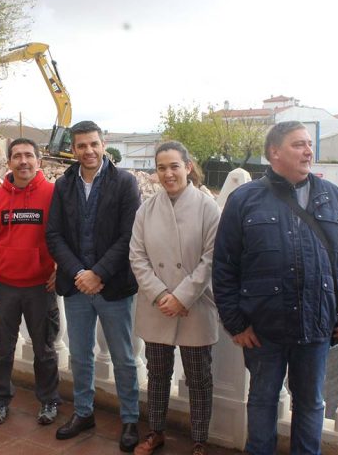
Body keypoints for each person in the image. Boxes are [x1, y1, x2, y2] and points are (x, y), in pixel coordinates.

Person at [212, 121, 338, 455]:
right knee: (262, 400)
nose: (308, 151)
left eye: (309, 144)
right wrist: (235, 323)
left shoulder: (333, 197)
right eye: (298, 144)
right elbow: (223, 266)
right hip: (263, 330)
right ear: (274, 152)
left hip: (317, 326)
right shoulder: (244, 199)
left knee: (310, 403)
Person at [46, 120, 141, 452]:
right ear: (73, 149)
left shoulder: (125, 183)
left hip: (112, 286)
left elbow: (129, 236)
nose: (88, 151)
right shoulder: (63, 185)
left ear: (104, 144)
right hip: (76, 287)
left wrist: (98, 273)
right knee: (80, 355)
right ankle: (84, 412)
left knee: (124, 357)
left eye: (93, 144)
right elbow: (54, 235)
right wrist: (79, 273)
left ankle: (130, 419)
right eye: (81, 145)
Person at [129, 141, 220, 455]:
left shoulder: (208, 207)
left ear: (188, 167)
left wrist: (182, 297)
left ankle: (199, 440)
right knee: (157, 374)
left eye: (174, 166)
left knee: (198, 377)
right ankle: (155, 432)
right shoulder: (146, 209)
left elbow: (211, 258)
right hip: (157, 306)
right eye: (161, 168)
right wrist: (160, 295)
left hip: (194, 305)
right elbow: (137, 256)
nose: (168, 174)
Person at [0, 138, 61, 426]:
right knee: (2, 349)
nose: (23, 161)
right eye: (17, 156)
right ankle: (0, 400)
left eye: (29, 155)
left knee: (45, 350)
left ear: (39, 160)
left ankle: (49, 400)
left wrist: (61, 268)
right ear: (9, 162)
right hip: (4, 288)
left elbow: (67, 236)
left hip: (41, 287)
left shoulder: (53, 194)